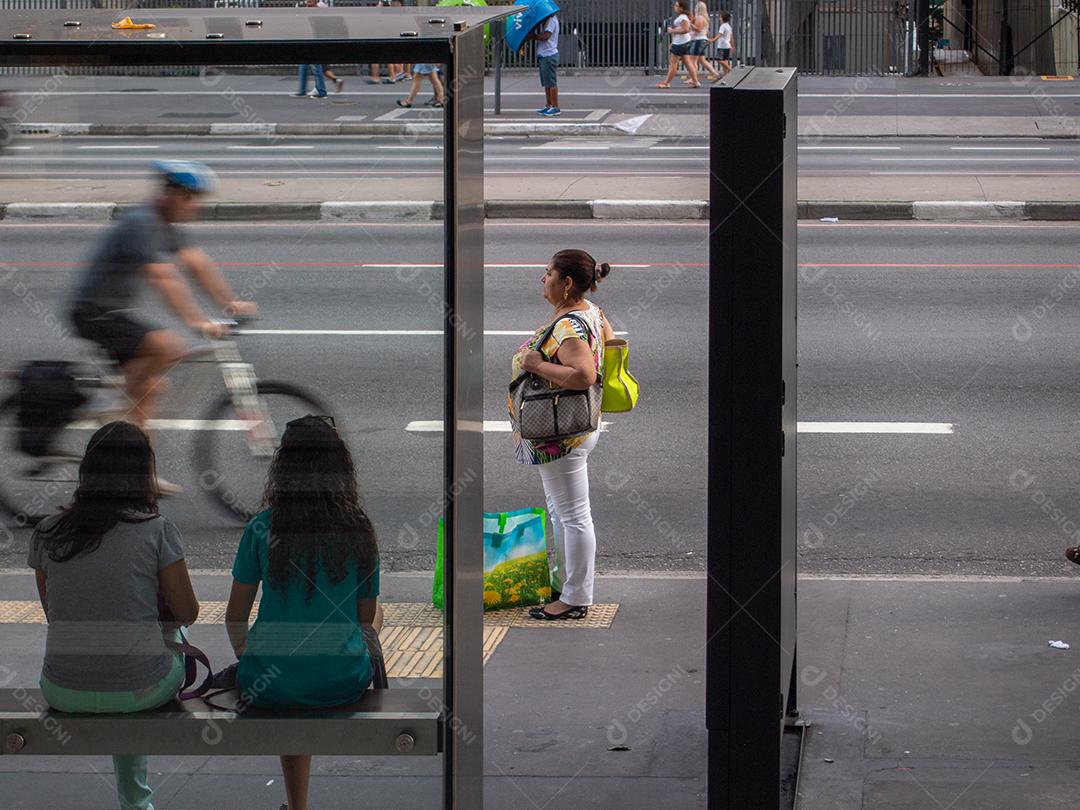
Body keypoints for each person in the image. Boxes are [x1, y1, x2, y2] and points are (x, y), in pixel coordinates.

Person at [29, 421, 199, 810]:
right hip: (143, 689)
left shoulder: (48, 532)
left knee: (119, 651)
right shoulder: (157, 530)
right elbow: (188, 613)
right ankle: (136, 803)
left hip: (62, 689)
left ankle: (136, 801)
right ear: (143, 474)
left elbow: (55, 613)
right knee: (166, 642)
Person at [224, 415, 382, 810]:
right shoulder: (359, 529)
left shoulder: (262, 528)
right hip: (342, 678)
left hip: (269, 681)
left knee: (292, 670)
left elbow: (234, 617)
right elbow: (365, 620)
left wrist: (250, 655)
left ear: (283, 470)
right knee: (376, 619)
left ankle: (298, 805)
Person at [69, 161, 257, 491]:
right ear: (174, 194)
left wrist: (231, 303)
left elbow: (197, 263)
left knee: (151, 389)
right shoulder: (141, 222)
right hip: (93, 311)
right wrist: (197, 321)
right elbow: (162, 276)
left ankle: (140, 475)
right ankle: (108, 404)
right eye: (192, 199)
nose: (196, 207)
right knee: (167, 346)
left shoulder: (164, 224)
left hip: (113, 311)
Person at [509, 250, 616, 620]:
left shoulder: (569, 326)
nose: (543, 279)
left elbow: (584, 375)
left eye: (548, 273)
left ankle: (575, 597)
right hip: (573, 426)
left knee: (573, 516)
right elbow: (611, 345)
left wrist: (539, 365)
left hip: (563, 433)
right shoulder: (591, 312)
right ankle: (564, 582)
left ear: (567, 282)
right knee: (562, 511)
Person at [656, 1, 700, 88]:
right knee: (688, 63)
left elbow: (685, 30)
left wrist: (672, 31)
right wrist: (673, 41)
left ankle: (667, 83)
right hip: (683, 42)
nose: (674, 7)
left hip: (680, 43)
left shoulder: (683, 17)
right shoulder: (683, 17)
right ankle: (695, 82)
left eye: (676, 6)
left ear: (681, 8)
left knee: (673, 63)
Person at [294, 0, 329, 97]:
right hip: (308, 38)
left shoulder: (322, 6)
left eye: (310, 2)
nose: (308, 4)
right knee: (303, 66)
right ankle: (302, 90)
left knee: (316, 66)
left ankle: (322, 91)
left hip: (317, 39)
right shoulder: (305, 6)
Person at [530, 12, 560, 116]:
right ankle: (549, 105)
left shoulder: (551, 20)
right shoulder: (548, 20)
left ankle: (555, 107)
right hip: (545, 55)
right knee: (547, 83)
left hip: (549, 55)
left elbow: (546, 36)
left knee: (551, 83)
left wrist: (534, 36)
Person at [692, 2, 723, 82]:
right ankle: (716, 75)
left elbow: (698, 29)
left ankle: (693, 79)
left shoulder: (700, 18)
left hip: (699, 40)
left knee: (693, 61)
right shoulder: (706, 18)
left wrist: (691, 25)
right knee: (702, 61)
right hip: (703, 39)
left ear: (698, 8)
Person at [708, 10, 735, 78]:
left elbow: (720, 34)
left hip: (722, 46)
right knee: (725, 61)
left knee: (719, 60)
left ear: (722, 18)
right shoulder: (729, 26)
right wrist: (732, 46)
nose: (719, 18)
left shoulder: (723, 26)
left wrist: (713, 40)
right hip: (727, 46)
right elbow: (731, 37)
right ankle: (725, 77)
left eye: (720, 17)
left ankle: (730, 70)